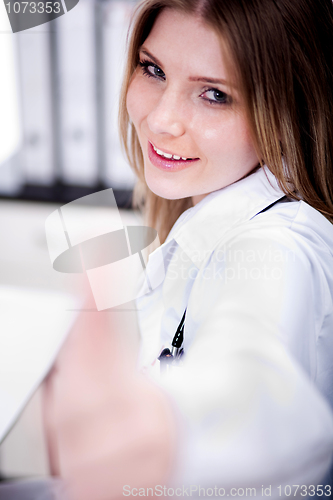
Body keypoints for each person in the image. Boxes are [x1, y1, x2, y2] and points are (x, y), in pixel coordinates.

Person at [44, 0, 333, 498]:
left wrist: (167, 432)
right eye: (153, 69)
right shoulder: (203, 209)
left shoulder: (277, 246)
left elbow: (256, 379)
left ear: (287, 109)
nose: (161, 120)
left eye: (215, 95)